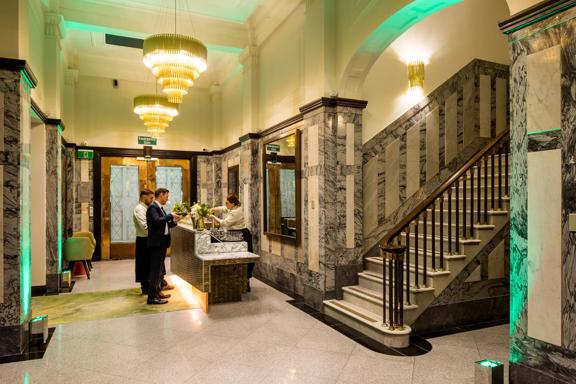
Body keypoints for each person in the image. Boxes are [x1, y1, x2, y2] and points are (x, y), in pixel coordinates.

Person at [210, 194, 254, 291]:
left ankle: (246, 282)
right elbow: (223, 208)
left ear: (233, 203)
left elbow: (224, 223)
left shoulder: (236, 212)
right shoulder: (234, 207)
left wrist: (212, 217)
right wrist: (213, 209)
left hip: (242, 235)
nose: (225, 204)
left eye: (227, 203)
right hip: (236, 233)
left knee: (246, 260)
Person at [146, 188, 181, 304]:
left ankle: (157, 292)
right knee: (155, 271)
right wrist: (170, 215)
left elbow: (164, 225)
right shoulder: (152, 207)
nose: (167, 198)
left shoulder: (159, 208)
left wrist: (174, 221)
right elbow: (157, 222)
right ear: (160, 195)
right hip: (156, 244)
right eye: (166, 196)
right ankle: (151, 298)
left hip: (161, 243)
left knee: (159, 271)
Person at [133, 189, 154, 295]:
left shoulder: (146, 208)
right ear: (144, 197)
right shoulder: (139, 209)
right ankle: (145, 287)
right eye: (150, 198)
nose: (152, 200)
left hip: (148, 238)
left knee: (148, 264)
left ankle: (150, 286)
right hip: (143, 239)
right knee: (143, 264)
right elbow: (144, 226)